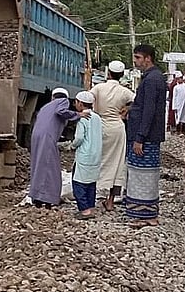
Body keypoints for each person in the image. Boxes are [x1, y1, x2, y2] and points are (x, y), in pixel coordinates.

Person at [124, 44, 166, 227]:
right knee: (142, 174)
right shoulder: (153, 77)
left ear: (148, 58)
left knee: (143, 175)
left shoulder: (151, 80)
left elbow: (149, 110)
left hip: (145, 137)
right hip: (147, 135)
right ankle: (145, 213)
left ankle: (146, 215)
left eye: (138, 58)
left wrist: (140, 137)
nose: (135, 61)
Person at [29, 87, 86, 207]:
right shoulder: (62, 102)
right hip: (47, 137)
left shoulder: (46, 106)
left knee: (39, 165)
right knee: (51, 168)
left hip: (36, 136)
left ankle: (37, 197)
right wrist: (78, 114)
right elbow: (61, 111)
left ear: (52, 97)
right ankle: (48, 199)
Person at [92, 60, 135, 212]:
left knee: (95, 160)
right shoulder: (124, 91)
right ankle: (110, 201)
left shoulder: (98, 88)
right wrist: (126, 109)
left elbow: (87, 100)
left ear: (108, 73)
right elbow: (136, 101)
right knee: (117, 164)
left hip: (99, 126)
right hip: (117, 128)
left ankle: (90, 197)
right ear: (122, 75)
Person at [70, 91, 103, 219]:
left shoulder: (83, 118)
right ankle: (91, 207)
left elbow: (79, 138)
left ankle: (84, 210)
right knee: (91, 182)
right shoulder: (97, 117)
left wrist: (72, 146)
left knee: (78, 183)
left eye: (76, 102)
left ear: (80, 104)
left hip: (84, 154)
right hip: (96, 154)